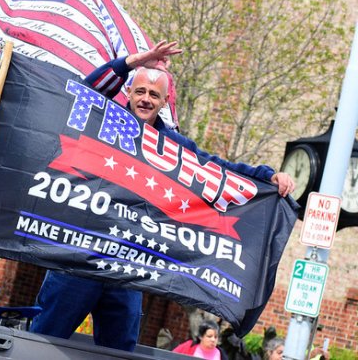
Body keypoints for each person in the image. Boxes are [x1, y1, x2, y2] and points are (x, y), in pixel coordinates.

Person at [30, 41, 296, 351]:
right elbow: (85, 89)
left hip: (127, 266)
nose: (145, 99)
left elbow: (218, 169)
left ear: (164, 100)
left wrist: (267, 177)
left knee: (120, 351)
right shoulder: (104, 117)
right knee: (42, 342)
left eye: (154, 94)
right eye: (140, 91)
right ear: (128, 92)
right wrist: (134, 61)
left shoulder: (173, 144)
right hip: (78, 254)